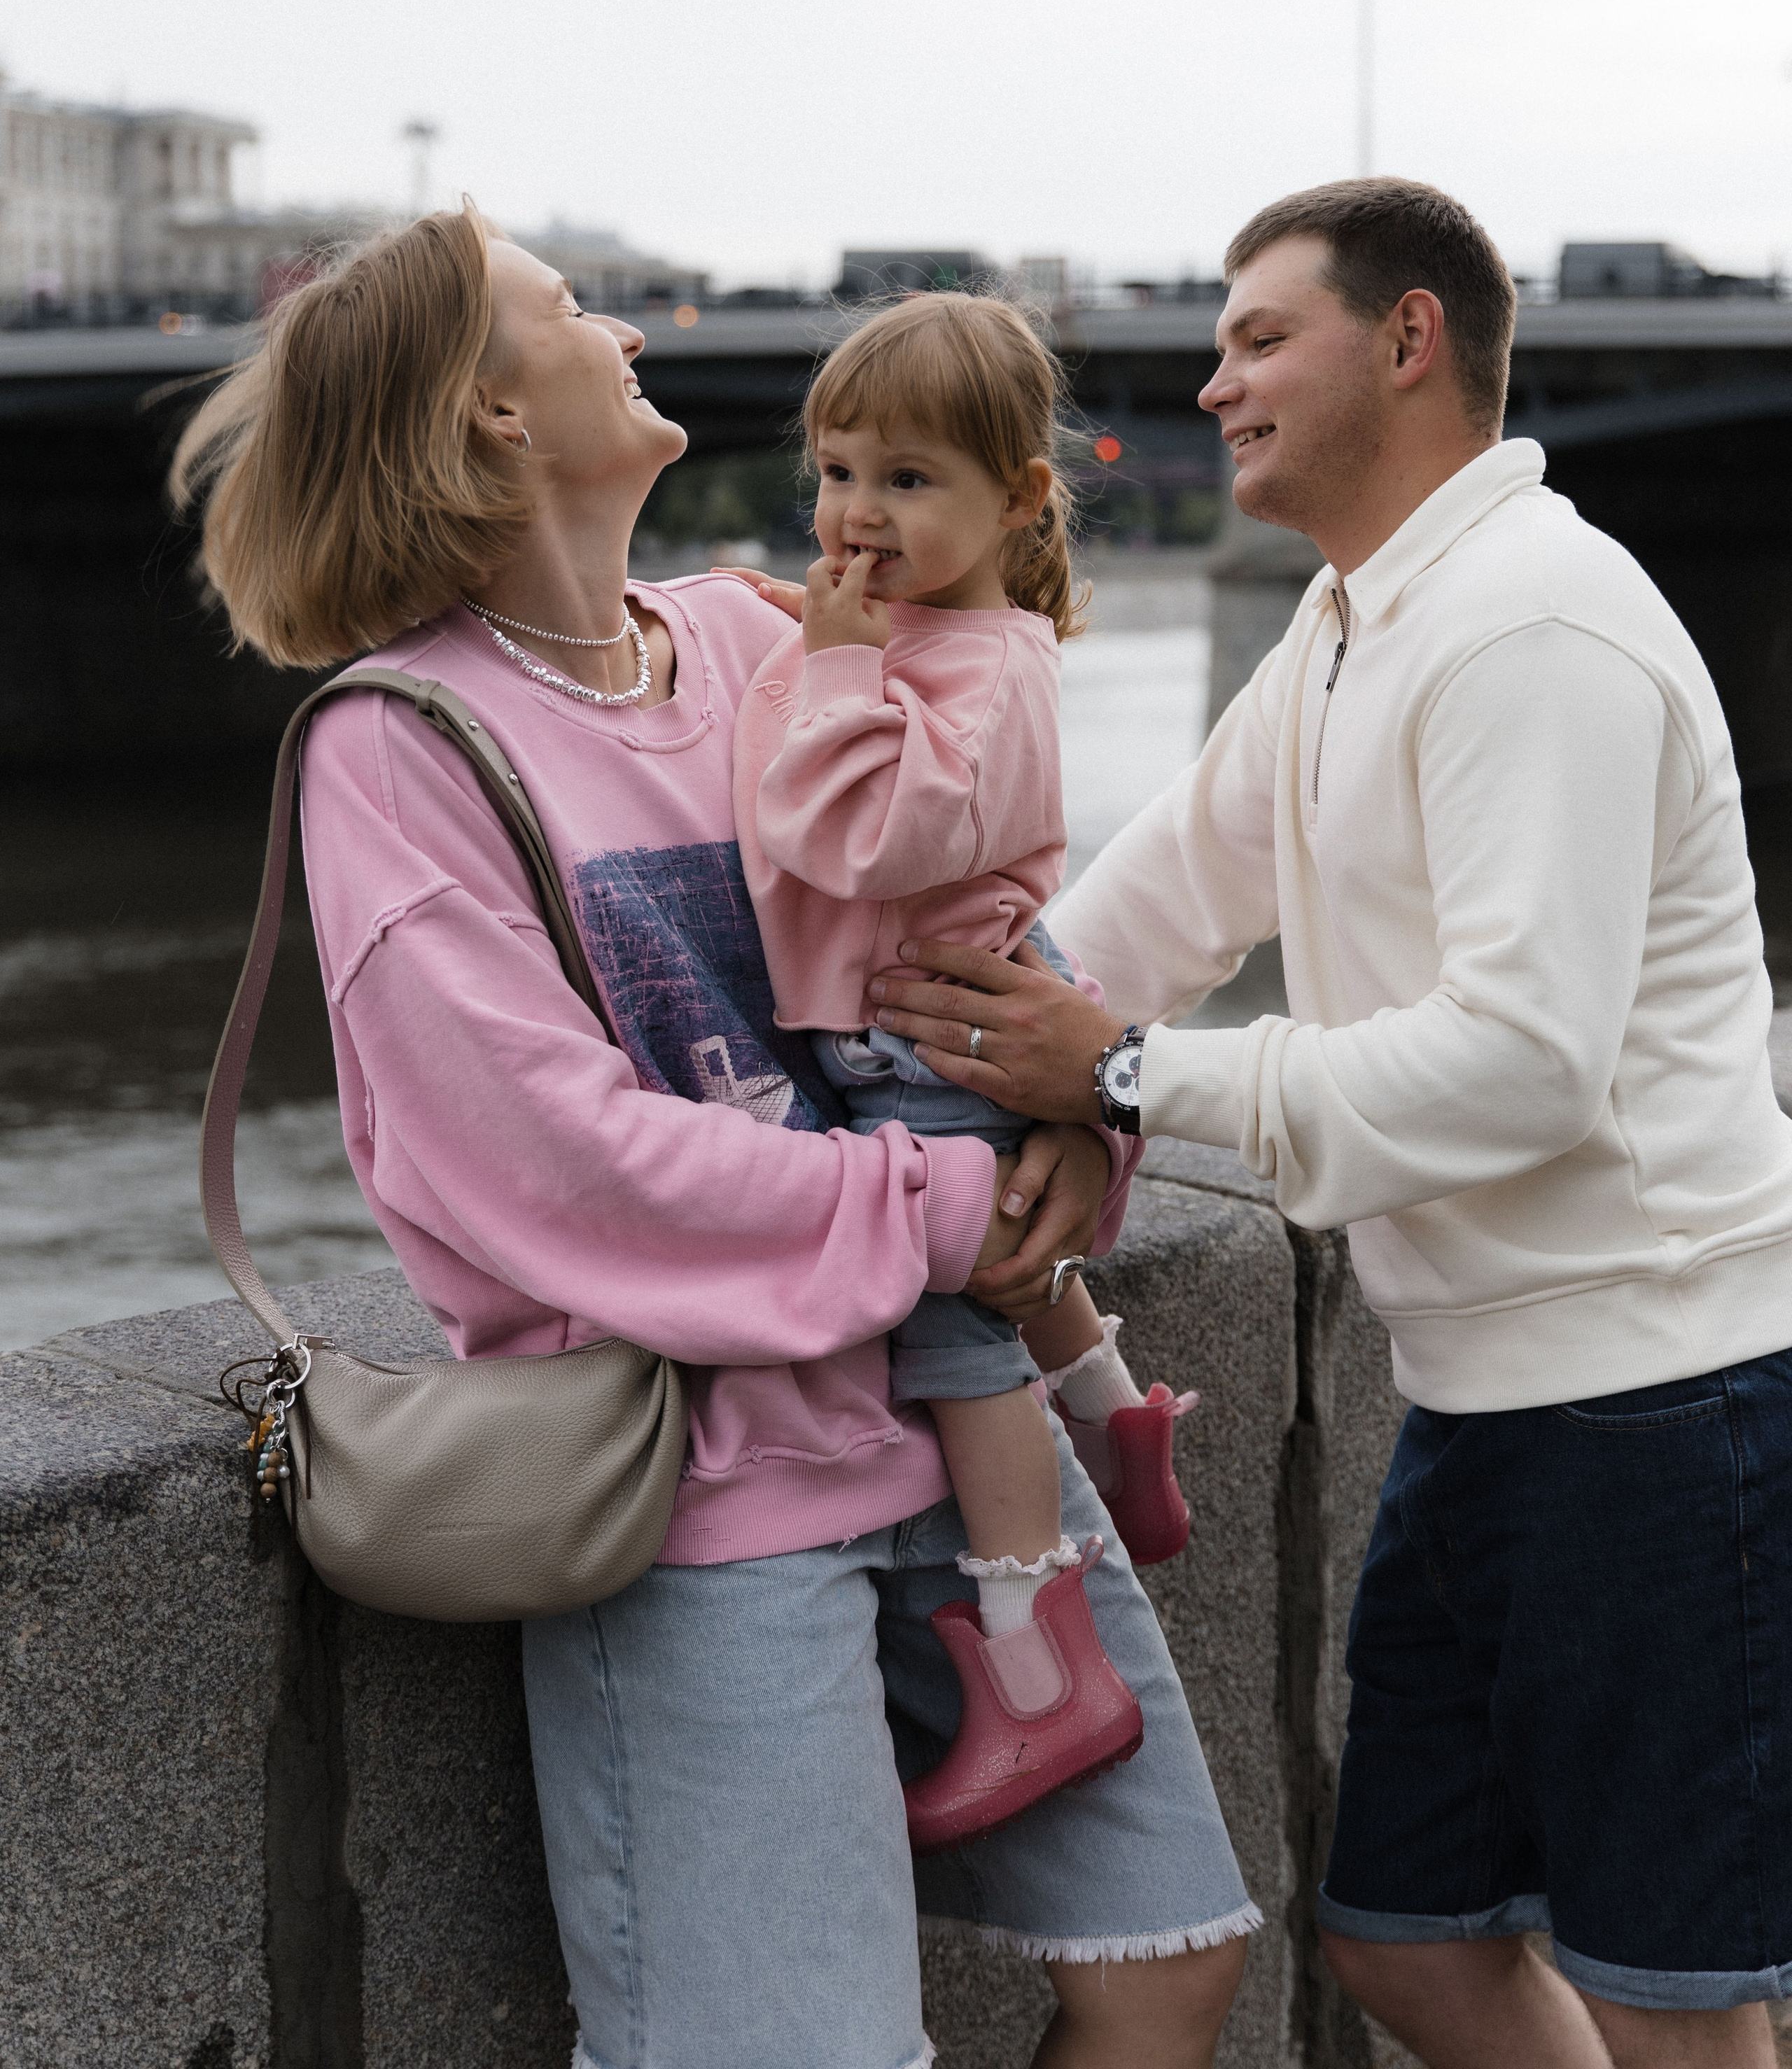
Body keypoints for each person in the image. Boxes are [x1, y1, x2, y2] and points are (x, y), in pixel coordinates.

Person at [169, 202, 1259, 2069]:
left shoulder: (761, 639)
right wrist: (943, 1203)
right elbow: (548, 1168)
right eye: (572, 310)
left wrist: (1085, 1113)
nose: (628, 326)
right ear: (493, 413)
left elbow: (971, 921)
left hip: (948, 1426)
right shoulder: (403, 748)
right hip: (705, 1507)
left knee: (1169, 1967)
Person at [867, 177, 1792, 2069]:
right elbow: (1153, 906)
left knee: (1674, 1997)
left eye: (1257, 339)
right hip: (1480, 1402)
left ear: (1409, 342)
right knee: (1404, 1944)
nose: (1214, 386)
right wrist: (965, 1064)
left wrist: (1121, 1080)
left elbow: (1523, 1065)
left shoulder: (1536, 628)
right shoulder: (1355, 622)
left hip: (1661, 1409)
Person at [724, 291, 1197, 1852]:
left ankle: (1029, 1669)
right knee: (1011, 1265)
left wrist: (840, 670)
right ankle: (1123, 1429)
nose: (857, 513)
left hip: (925, 1033)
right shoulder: (919, 639)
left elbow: (869, 839)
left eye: (907, 480)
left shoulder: (979, 668)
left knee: (956, 1332)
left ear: (1016, 499)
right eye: (838, 469)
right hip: (919, 1018)